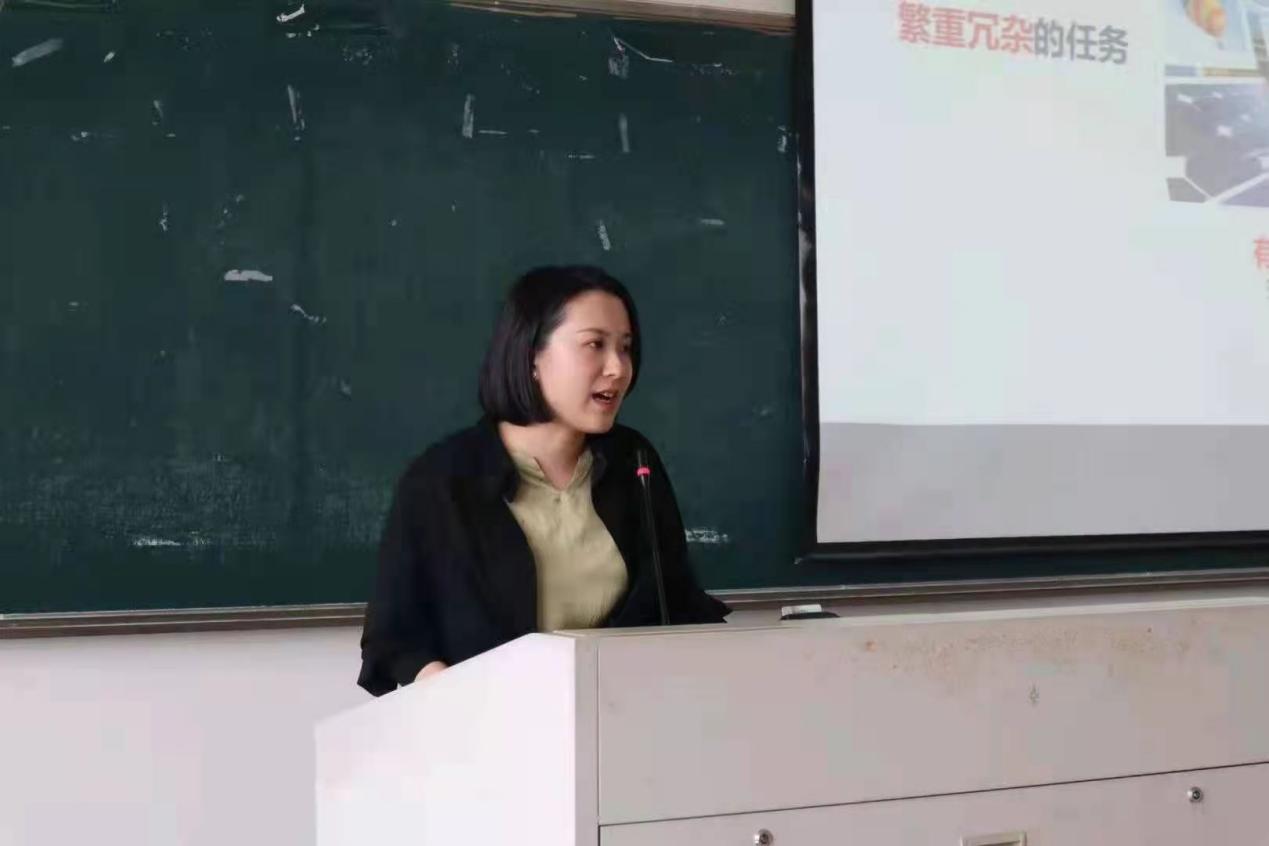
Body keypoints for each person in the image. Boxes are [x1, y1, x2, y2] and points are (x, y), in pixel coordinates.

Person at [357, 266, 729, 696]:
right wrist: (458, 698)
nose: (618, 368)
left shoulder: (634, 461)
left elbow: (678, 602)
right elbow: (395, 638)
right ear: (532, 354)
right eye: (595, 345)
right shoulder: (442, 480)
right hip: (490, 721)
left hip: (626, 712)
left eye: (625, 348)